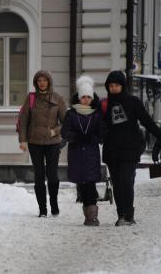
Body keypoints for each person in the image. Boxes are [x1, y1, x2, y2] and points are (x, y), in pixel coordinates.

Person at [102, 70, 161, 226]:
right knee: (117, 183)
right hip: (112, 150)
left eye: (117, 85)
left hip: (130, 149)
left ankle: (129, 215)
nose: (114, 88)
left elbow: (147, 121)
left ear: (122, 86)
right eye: (111, 85)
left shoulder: (133, 102)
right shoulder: (104, 104)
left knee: (126, 180)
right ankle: (121, 215)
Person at [18, 70, 67, 217]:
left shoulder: (58, 99)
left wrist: (55, 131)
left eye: (44, 80)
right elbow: (23, 120)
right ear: (36, 83)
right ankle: (42, 209)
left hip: (53, 142)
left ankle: (54, 204)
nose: (42, 83)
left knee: (52, 175)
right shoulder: (31, 98)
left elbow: (66, 122)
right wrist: (23, 140)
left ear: (49, 82)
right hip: (34, 142)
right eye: (39, 80)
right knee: (39, 175)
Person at [61, 75, 106, 226]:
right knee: (82, 183)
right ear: (79, 98)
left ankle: (92, 216)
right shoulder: (71, 114)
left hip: (91, 154)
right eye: (83, 97)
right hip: (77, 154)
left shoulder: (97, 114)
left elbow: (101, 134)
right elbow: (65, 133)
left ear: (92, 98)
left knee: (90, 183)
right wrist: (77, 137)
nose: (86, 99)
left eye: (88, 97)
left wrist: (92, 138)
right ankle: (87, 213)